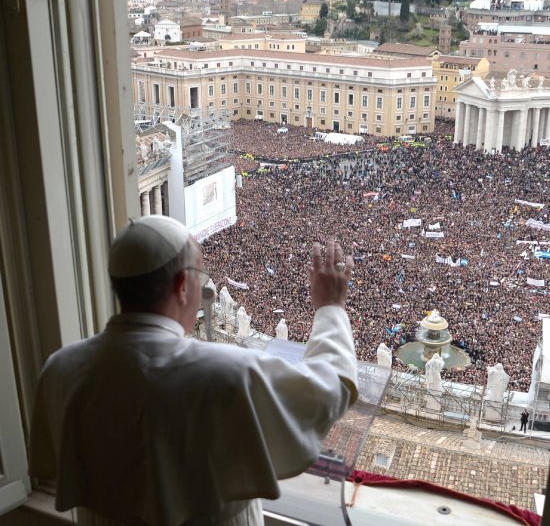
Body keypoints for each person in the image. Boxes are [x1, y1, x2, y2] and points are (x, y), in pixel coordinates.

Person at [28, 215, 358, 525]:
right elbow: (330, 387)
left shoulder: (60, 369)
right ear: (183, 284)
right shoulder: (229, 374)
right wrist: (330, 307)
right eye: (200, 275)